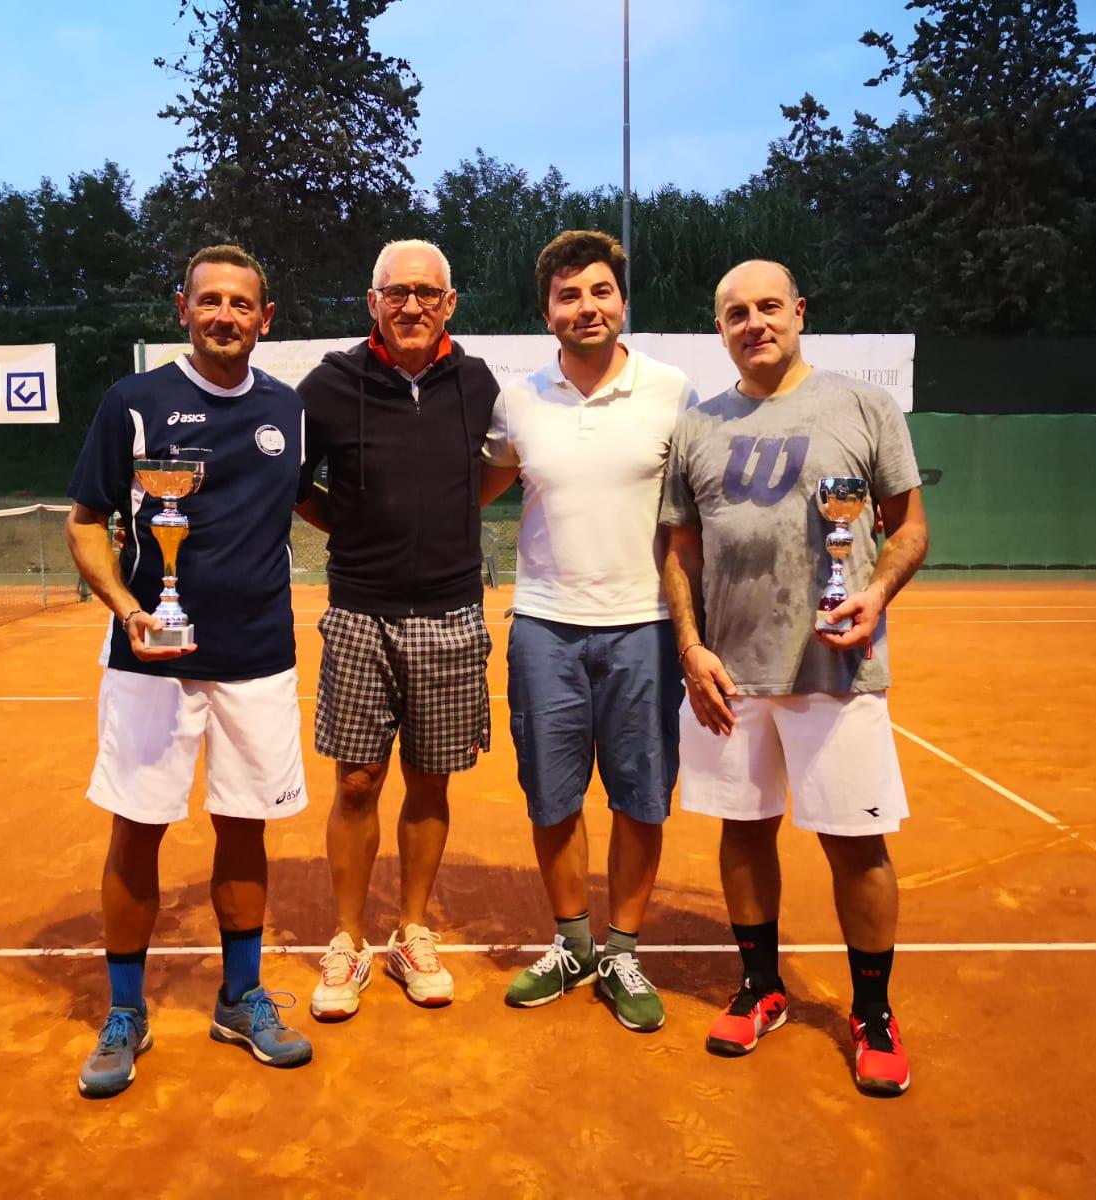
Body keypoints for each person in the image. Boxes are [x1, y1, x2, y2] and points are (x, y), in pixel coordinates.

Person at [659, 259, 929, 1096]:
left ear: (799, 312)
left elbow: (909, 525)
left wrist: (877, 593)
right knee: (743, 831)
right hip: (729, 676)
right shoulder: (698, 426)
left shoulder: (863, 406)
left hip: (836, 668)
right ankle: (760, 987)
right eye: (735, 313)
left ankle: (873, 1013)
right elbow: (678, 546)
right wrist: (691, 647)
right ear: (721, 330)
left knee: (856, 842)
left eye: (768, 306)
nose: (754, 323)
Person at [68, 244, 313, 1098]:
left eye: (241, 304)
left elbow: (318, 501)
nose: (224, 316)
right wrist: (130, 611)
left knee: (245, 828)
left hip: (258, 659)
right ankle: (127, 1011)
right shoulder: (133, 404)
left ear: (265, 318)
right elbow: (86, 521)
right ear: (183, 308)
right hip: (150, 663)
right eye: (209, 301)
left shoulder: (289, 409)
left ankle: (241, 998)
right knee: (137, 827)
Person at [479, 230, 696, 1032]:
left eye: (599, 292)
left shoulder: (671, 390)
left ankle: (623, 949)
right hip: (543, 625)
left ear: (622, 300)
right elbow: (474, 486)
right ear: (548, 312)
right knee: (552, 798)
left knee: (641, 800)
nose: (587, 307)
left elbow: (696, 513)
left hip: (644, 627)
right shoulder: (520, 400)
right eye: (569, 296)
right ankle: (572, 945)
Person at [295, 239, 500, 1020]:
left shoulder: (475, 383)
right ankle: (349, 941)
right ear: (371, 301)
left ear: (449, 304)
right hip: (357, 613)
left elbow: (497, 469)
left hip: (450, 611)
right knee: (356, 782)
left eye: (426, 292)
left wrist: (450, 515)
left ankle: (412, 930)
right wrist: (346, 524)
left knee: (430, 780)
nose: (411, 305)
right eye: (396, 292)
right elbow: (296, 485)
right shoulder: (329, 383)